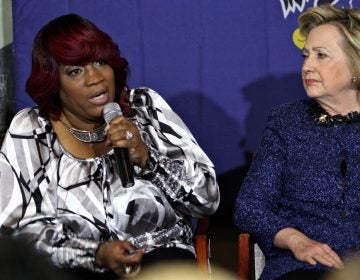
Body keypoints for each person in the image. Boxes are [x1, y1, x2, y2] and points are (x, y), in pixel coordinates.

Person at [0, 14, 219, 279]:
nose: (95, 78)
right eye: (75, 70)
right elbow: (12, 231)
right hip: (75, 267)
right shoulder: (32, 129)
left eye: (100, 62)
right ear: (53, 83)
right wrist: (95, 253)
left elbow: (207, 200)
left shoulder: (145, 107)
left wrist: (148, 159)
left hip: (158, 259)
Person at [234, 4, 360, 280]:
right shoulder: (286, 122)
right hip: (303, 268)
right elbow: (250, 206)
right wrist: (295, 240)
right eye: (305, 56)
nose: (306, 66)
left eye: (321, 56)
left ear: (355, 66)